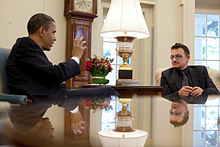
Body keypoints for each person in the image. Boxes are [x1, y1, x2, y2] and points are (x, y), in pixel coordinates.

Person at [6, 13, 119, 134]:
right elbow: (56, 75)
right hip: (36, 105)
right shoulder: (26, 46)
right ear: (42, 31)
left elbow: (52, 77)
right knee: (109, 92)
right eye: (53, 32)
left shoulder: (30, 48)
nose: (55, 38)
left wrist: (74, 110)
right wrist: (75, 57)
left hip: (50, 99)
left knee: (108, 91)